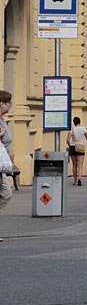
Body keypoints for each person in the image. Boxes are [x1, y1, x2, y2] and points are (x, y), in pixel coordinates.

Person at [67, 116, 87, 186]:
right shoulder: (83, 129)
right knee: (80, 165)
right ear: (79, 122)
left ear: (73, 122)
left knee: (74, 165)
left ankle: (74, 181)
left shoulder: (72, 129)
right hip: (80, 147)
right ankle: (79, 178)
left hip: (72, 147)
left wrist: (70, 146)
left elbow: (67, 140)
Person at [0, 90, 13, 220]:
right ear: (1, 104)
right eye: (8, 102)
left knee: (6, 194)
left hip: (1, 165)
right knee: (5, 193)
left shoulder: (2, 120)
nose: (11, 105)